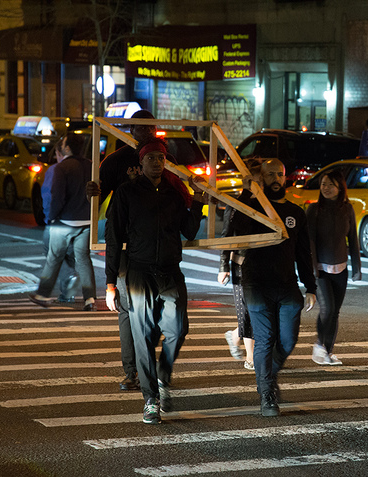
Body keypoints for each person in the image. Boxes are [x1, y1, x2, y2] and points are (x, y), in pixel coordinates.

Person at [105, 137, 206, 425]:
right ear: (141, 161)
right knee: (144, 336)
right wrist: (111, 282)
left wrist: (197, 203)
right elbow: (114, 239)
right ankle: (151, 400)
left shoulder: (174, 194)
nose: (157, 163)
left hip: (170, 270)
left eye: (161, 159)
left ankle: (163, 376)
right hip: (138, 272)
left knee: (179, 329)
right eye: (151, 158)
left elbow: (188, 231)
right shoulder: (126, 193)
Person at [232, 158, 317, 417]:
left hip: (287, 285)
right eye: (270, 175)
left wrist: (310, 287)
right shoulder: (251, 208)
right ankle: (267, 393)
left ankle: (266, 373)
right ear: (262, 179)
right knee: (265, 339)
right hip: (256, 284)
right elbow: (236, 232)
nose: (276, 179)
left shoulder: (296, 212)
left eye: (279, 174)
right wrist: (249, 193)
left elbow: (303, 253)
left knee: (289, 340)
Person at [86, 109, 157, 392]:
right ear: (130, 129)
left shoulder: (165, 159)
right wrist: (92, 192)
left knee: (158, 310)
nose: (147, 132)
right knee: (128, 308)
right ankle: (134, 371)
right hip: (127, 242)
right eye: (140, 128)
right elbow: (98, 194)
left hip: (156, 244)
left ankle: (149, 368)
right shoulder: (117, 160)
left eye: (151, 127)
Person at [29, 133, 96, 311]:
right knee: (83, 259)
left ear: (67, 147)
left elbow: (58, 196)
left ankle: (43, 294)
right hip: (86, 220)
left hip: (65, 221)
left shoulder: (62, 168)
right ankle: (90, 299)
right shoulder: (91, 165)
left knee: (54, 258)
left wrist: (52, 216)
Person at [306, 170, 361, 366]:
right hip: (320, 270)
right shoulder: (314, 210)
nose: (326, 188)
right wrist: (312, 269)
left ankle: (327, 351)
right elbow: (309, 240)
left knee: (335, 311)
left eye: (330, 184)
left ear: (340, 188)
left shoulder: (347, 209)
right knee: (327, 309)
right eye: (323, 184)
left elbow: (352, 238)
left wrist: (356, 267)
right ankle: (319, 345)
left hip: (341, 268)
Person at [219, 160, 263, 371]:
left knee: (256, 312)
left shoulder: (268, 206)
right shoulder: (236, 204)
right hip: (240, 266)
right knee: (245, 313)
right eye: (251, 182)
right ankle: (251, 358)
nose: (256, 186)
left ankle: (235, 335)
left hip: (263, 267)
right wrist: (223, 266)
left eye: (259, 182)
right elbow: (227, 234)